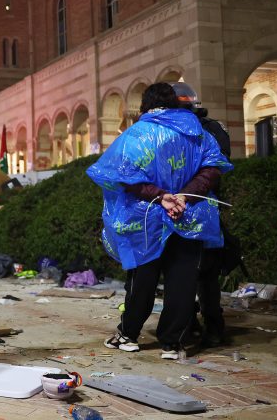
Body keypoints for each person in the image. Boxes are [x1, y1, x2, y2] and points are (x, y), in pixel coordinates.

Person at [86, 82, 232, 360]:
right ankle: (172, 343)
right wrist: (183, 197)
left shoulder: (137, 135)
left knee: (143, 279)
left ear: (146, 104)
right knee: (183, 280)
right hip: (189, 217)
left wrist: (162, 196)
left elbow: (122, 175)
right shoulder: (198, 133)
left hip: (146, 221)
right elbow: (213, 169)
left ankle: (128, 335)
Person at [171, 82, 232, 348]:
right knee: (204, 272)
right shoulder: (212, 128)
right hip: (201, 206)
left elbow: (212, 170)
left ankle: (195, 326)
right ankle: (207, 326)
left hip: (189, 207)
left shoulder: (200, 131)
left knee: (190, 271)